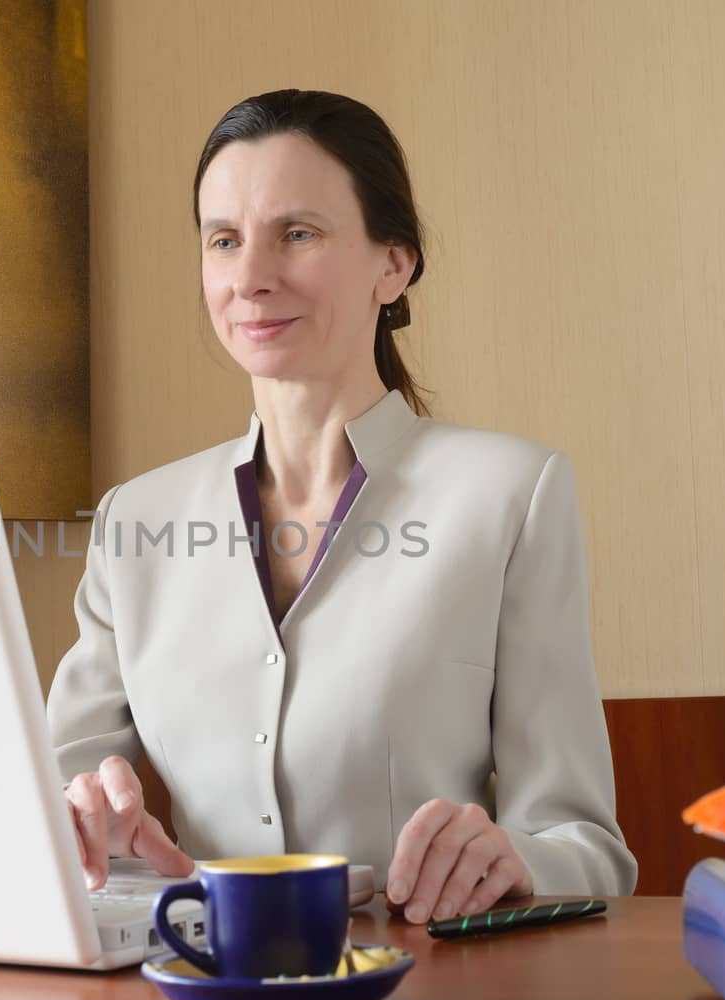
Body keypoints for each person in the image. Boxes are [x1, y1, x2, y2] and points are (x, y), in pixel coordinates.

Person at [48, 89, 637, 926]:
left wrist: (517, 858)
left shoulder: (512, 494)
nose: (251, 278)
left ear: (392, 265)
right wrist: (85, 825)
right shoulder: (131, 524)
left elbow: (589, 849)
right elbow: (50, 817)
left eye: (298, 234)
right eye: (224, 241)